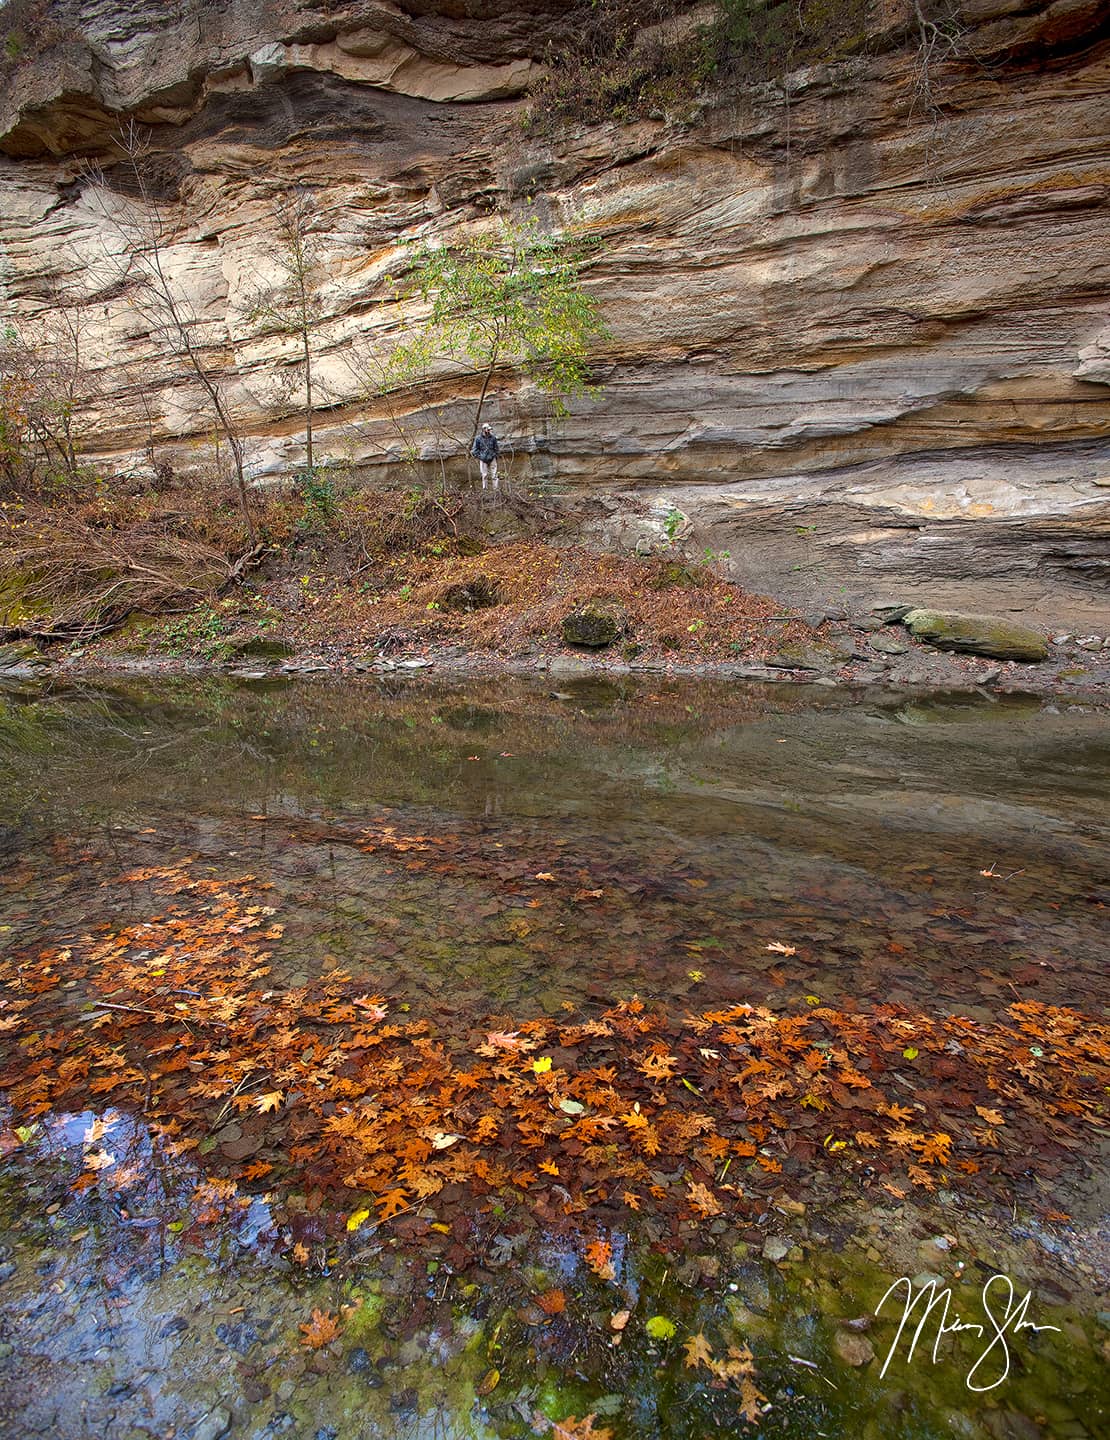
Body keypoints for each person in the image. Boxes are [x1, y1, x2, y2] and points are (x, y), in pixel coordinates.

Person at [471, 422, 500, 489]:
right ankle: (485, 490)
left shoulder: (493, 438)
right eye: (488, 429)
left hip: (492, 458)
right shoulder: (478, 438)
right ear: (483, 429)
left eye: (489, 429)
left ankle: (496, 490)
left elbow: (496, 448)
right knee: (484, 475)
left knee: (494, 475)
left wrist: (495, 455)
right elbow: (474, 450)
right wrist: (480, 457)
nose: (489, 430)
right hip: (483, 459)